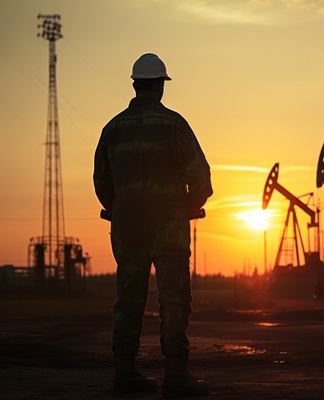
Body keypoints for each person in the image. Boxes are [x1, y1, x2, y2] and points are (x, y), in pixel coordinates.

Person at [94, 53, 213, 397]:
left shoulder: (112, 129)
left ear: (135, 84)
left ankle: (124, 372)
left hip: (128, 227)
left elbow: (102, 183)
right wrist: (185, 206)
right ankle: (176, 374)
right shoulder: (174, 124)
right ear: (160, 86)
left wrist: (121, 207)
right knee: (174, 297)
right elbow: (202, 180)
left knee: (129, 297)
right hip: (169, 227)